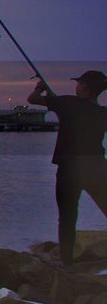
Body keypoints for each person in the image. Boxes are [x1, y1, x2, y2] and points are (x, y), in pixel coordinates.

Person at [27, 70, 107, 264]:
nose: (76, 85)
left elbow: (33, 98)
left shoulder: (68, 103)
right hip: (96, 165)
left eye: (79, 83)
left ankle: (67, 262)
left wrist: (40, 87)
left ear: (84, 86)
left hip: (69, 166)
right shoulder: (102, 112)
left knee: (67, 216)